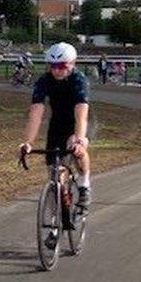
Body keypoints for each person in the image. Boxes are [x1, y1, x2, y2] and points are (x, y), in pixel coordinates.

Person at [19, 42, 93, 209]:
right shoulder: (44, 81)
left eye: (61, 66)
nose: (57, 70)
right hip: (58, 122)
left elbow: (81, 114)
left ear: (72, 64)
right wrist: (28, 142)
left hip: (81, 120)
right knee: (54, 172)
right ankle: (56, 216)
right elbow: (36, 113)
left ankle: (84, 185)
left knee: (76, 147)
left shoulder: (79, 80)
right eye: (53, 66)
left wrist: (80, 140)